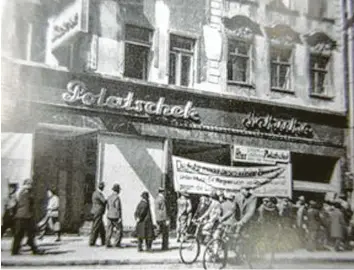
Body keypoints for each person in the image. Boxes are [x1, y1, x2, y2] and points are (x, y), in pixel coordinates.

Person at [11, 179, 41, 255]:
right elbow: (14, 204)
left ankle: (17, 250)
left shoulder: (27, 193)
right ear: (25, 184)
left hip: (25, 216)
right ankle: (15, 250)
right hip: (23, 216)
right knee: (21, 234)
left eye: (31, 184)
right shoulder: (22, 192)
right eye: (29, 184)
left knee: (27, 234)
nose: (30, 186)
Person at [89, 182, 106, 246]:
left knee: (101, 228)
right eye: (103, 187)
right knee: (96, 226)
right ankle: (92, 242)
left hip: (96, 211)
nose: (103, 188)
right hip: (98, 211)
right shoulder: (98, 193)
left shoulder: (95, 193)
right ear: (101, 187)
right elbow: (103, 201)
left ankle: (104, 241)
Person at [106, 184, 122, 248]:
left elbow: (107, 206)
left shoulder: (109, 197)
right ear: (117, 190)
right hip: (115, 216)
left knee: (109, 230)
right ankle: (116, 243)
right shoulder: (117, 197)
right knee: (119, 229)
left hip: (109, 215)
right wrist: (120, 217)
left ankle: (107, 243)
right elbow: (118, 207)